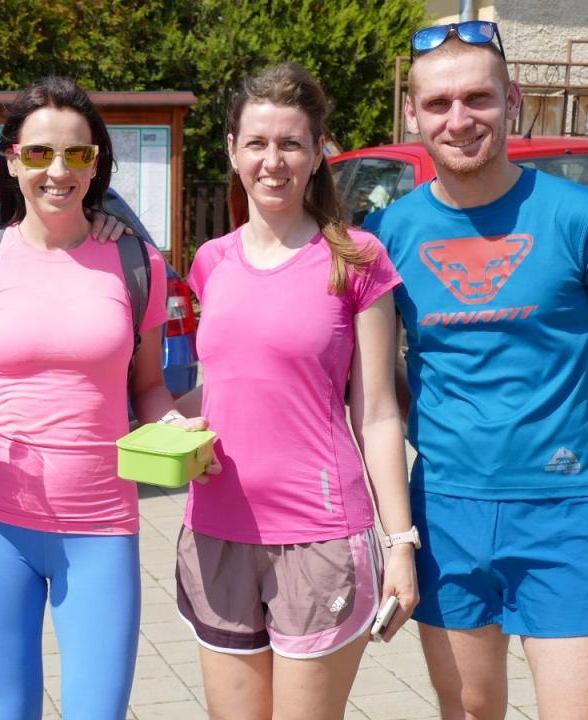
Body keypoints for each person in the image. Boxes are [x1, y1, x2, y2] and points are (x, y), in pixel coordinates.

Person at [0, 76, 200, 720]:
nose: (58, 170)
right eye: (40, 153)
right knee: (9, 710)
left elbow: (149, 388)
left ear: (95, 164)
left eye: (77, 153)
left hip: (101, 524)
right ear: (12, 159)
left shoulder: (135, 262)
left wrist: (175, 428)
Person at [173, 63, 417, 720]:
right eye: (257, 143)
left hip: (321, 538)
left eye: (290, 143)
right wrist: (170, 424)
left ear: (317, 151)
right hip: (215, 531)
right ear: (232, 150)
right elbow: (227, 388)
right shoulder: (211, 262)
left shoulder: (356, 259)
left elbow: (378, 415)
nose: (273, 161)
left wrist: (401, 543)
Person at [364, 22, 588, 719]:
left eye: (478, 98)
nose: (458, 120)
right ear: (413, 115)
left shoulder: (574, 217)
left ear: (511, 100)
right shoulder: (389, 235)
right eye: (438, 103)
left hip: (566, 509)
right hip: (446, 511)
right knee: (467, 711)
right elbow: (374, 394)